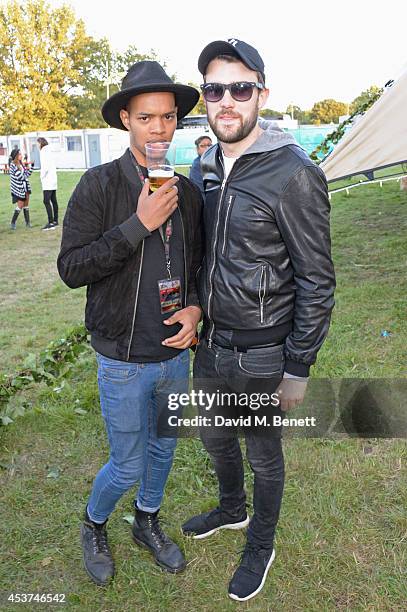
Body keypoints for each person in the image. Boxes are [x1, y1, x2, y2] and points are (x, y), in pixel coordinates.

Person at [181, 39, 336, 601]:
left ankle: (260, 544)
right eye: (214, 89)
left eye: (240, 88)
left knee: (263, 456)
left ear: (261, 96)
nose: (226, 100)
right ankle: (231, 509)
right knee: (214, 438)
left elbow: (317, 280)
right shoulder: (205, 165)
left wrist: (297, 366)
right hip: (212, 344)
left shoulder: (293, 172)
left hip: (265, 352)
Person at [57, 61, 202, 586]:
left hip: (174, 354)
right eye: (146, 118)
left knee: (164, 449)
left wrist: (197, 308)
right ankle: (94, 523)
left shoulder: (187, 192)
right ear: (126, 119)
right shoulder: (98, 186)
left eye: (168, 118)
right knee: (128, 461)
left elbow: (198, 267)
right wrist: (137, 225)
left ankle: (146, 521)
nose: (159, 129)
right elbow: (71, 268)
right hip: (121, 357)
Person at [37, 137, 59, 230]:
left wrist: (41, 176)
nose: (37, 145)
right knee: (53, 200)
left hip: (48, 180)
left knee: (46, 201)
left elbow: (45, 167)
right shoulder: (50, 150)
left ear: (41, 143)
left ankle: (50, 222)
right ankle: (55, 220)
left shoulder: (43, 152)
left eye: (37, 143)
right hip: (53, 179)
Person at [9, 148, 33, 229]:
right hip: (18, 188)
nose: (21, 155)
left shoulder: (21, 164)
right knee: (20, 205)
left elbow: (27, 174)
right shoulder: (13, 165)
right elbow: (20, 177)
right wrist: (26, 174)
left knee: (26, 205)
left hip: (25, 187)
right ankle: (13, 222)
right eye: (19, 154)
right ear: (16, 156)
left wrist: (31, 167)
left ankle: (28, 223)